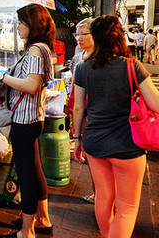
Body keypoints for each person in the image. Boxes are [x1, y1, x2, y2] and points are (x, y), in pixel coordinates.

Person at [72, 15, 159, 238]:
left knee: (104, 198)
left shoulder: (83, 68)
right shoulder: (131, 66)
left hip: (95, 143)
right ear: (120, 36)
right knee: (127, 207)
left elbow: (78, 108)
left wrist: (77, 139)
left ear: (95, 38)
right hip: (127, 145)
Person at [0, 4, 54, 238]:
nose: (18, 27)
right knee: (35, 170)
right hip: (33, 118)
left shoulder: (36, 50)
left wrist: (4, 77)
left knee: (26, 175)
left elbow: (32, 84)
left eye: (21, 23)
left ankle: (26, 232)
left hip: (25, 121)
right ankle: (44, 221)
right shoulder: (43, 48)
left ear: (32, 25)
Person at [69, 18, 95, 205]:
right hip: (82, 112)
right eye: (77, 34)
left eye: (83, 34)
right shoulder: (78, 59)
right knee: (90, 157)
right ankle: (97, 192)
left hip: (97, 114)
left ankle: (101, 194)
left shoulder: (104, 59)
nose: (79, 38)